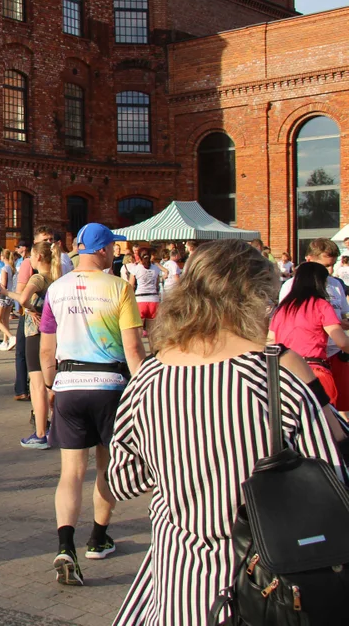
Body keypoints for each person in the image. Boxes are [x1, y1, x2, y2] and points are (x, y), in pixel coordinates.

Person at [108, 241, 348, 623]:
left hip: (180, 584)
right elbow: (331, 473)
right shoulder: (275, 376)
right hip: (269, 580)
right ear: (256, 298)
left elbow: (123, 481)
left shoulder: (148, 378)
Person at [39, 223, 145, 586]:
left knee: (70, 472)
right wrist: (144, 386)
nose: (115, 252)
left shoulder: (56, 289)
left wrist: (52, 384)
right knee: (105, 466)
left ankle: (65, 545)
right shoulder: (119, 287)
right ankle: (98, 538)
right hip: (109, 384)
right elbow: (132, 348)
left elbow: (45, 348)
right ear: (102, 250)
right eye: (112, 247)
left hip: (68, 384)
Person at [280, 238, 349, 416]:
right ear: (309, 260)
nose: (330, 271)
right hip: (309, 359)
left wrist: (335, 322)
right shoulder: (290, 287)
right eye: (325, 266)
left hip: (334, 354)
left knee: (340, 405)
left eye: (332, 265)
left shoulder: (336, 285)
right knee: (321, 411)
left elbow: (342, 317)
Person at [6, 241, 61, 449]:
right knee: (52, 384)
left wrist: (29, 309)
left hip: (35, 333)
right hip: (53, 334)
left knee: (37, 385)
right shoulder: (58, 277)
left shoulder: (38, 277)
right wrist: (7, 292)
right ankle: (57, 430)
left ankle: (40, 433)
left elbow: (24, 299)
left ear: (37, 257)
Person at [125, 247, 162, 334]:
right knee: (153, 330)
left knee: (139, 329)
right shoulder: (155, 269)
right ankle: (153, 346)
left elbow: (131, 286)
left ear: (139, 257)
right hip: (153, 299)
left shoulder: (135, 269)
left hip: (140, 299)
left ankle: (140, 346)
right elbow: (157, 285)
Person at [0, 249, 17, 351]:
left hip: (3, 296)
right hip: (10, 295)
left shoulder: (4, 268)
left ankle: (11, 337)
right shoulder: (12, 268)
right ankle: (5, 341)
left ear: (3, 257)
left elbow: (3, 285)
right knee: (5, 320)